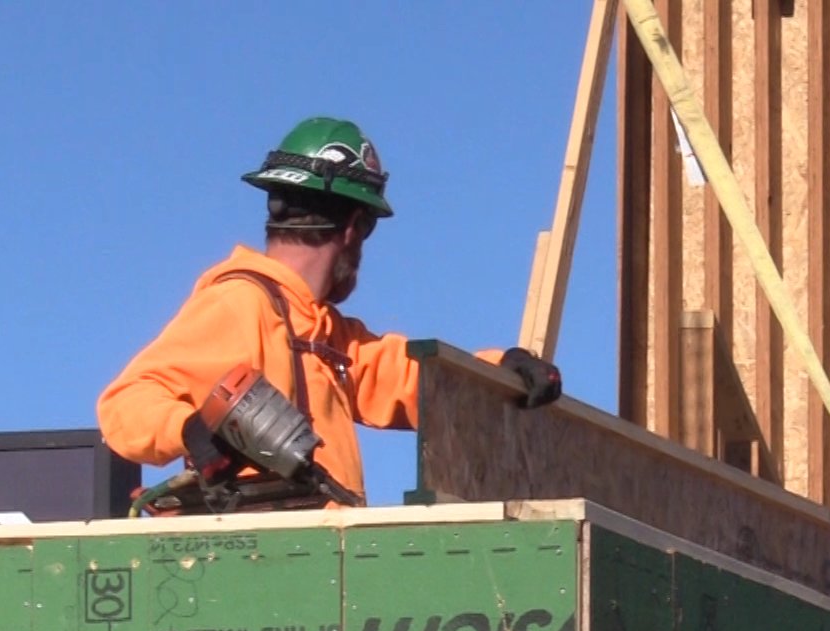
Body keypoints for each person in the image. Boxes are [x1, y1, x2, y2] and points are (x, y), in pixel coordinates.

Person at [97, 116, 562, 505]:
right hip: (262, 561)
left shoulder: (322, 332)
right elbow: (125, 404)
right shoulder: (240, 303)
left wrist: (500, 370)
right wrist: (192, 430)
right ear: (355, 228)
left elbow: (408, 376)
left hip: (319, 560)